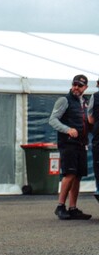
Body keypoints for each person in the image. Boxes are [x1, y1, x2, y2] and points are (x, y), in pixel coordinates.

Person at [50, 74, 91, 220]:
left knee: (78, 176)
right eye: (74, 84)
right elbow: (53, 120)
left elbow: (87, 122)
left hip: (82, 143)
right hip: (68, 144)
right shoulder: (64, 100)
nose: (76, 87)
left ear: (85, 87)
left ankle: (73, 208)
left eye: (80, 85)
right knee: (69, 174)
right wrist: (67, 129)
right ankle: (60, 206)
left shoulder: (85, 102)